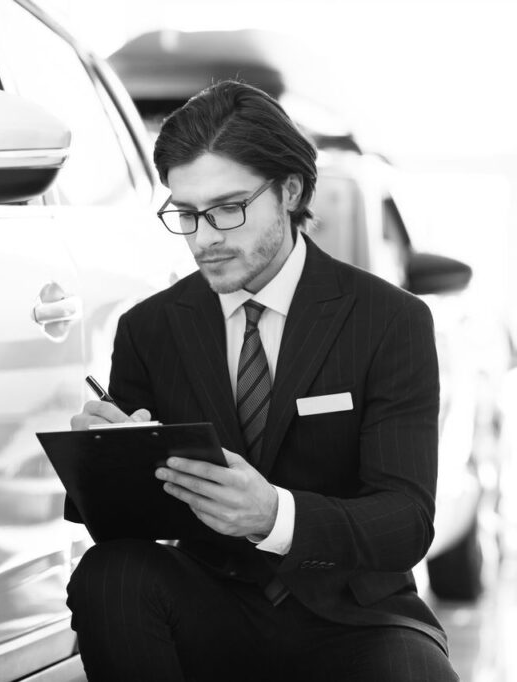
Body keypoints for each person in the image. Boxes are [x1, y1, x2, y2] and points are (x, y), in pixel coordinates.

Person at [66, 81, 457, 681]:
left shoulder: (388, 319)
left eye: (228, 209)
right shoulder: (150, 328)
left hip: (353, 616)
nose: (205, 238)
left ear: (289, 191)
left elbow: (404, 520)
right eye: (187, 214)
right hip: (212, 606)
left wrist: (275, 515)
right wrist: (104, 461)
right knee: (108, 575)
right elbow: (125, 530)